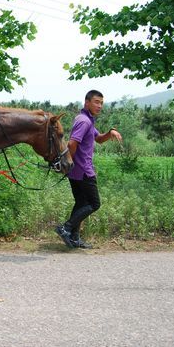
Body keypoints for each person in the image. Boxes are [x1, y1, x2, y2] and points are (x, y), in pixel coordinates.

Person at [55, 90, 122, 249]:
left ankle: (75, 238)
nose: (99, 106)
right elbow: (72, 144)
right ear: (87, 102)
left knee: (81, 203)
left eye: (101, 103)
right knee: (94, 203)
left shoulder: (87, 120)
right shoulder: (84, 121)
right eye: (96, 102)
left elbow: (98, 139)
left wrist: (110, 132)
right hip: (83, 170)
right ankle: (66, 228)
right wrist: (68, 164)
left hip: (76, 171)